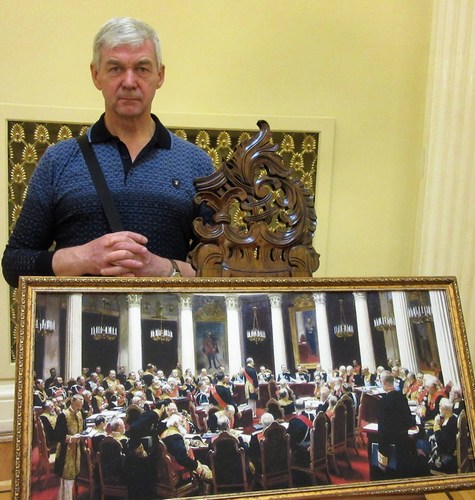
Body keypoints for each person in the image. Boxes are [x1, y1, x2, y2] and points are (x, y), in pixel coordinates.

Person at [2, 16, 215, 287]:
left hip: (166, 315)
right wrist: (83, 258)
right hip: (78, 315)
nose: (129, 81)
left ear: (160, 76)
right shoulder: (58, 161)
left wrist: (165, 269)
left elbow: (225, 270)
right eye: (116, 69)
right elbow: (14, 264)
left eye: (142, 69)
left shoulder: (196, 164)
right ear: (96, 75)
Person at [376, 371, 421, 478]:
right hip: (403, 442)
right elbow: (409, 421)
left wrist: (382, 455)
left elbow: (382, 430)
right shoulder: (402, 397)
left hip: (390, 443)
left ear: (384, 383)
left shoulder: (383, 401)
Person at [54, 394, 85, 499]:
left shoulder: (80, 413)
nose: (79, 408)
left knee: (72, 477)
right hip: (65, 450)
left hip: (77, 449)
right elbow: (58, 435)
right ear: (72, 403)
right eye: (77, 405)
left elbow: (81, 429)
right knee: (67, 478)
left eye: (80, 405)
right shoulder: (63, 415)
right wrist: (71, 438)